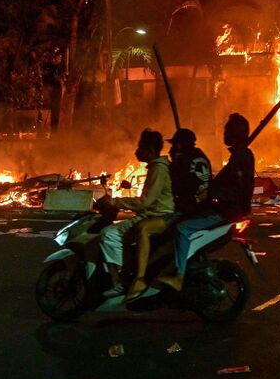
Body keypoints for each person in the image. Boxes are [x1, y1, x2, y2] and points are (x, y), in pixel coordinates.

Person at [157, 113, 255, 291]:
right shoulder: (237, 156)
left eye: (227, 130)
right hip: (222, 207)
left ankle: (178, 275)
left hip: (226, 211)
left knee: (182, 229)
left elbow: (237, 190)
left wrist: (210, 194)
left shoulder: (242, 157)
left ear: (236, 133)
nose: (224, 133)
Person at [123, 128, 212, 301]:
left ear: (179, 145)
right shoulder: (199, 157)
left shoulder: (178, 164)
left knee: (143, 228)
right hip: (197, 208)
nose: (170, 150)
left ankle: (140, 279)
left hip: (186, 211)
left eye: (173, 146)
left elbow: (154, 198)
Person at [98, 129, 175, 299]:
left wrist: (114, 202)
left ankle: (119, 282)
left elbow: (145, 202)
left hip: (156, 216)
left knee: (108, 234)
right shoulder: (159, 167)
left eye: (140, 148)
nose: (137, 151)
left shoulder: (158, 169)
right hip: (156, 214)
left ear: (150, 150)